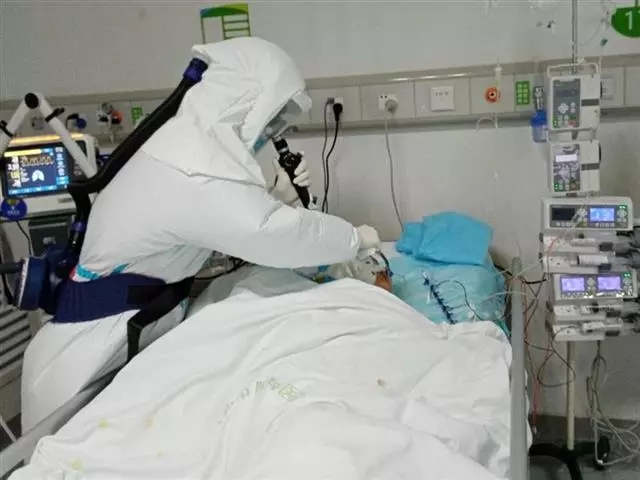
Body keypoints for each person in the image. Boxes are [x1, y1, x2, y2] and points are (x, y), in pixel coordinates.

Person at [20, 37, 380, 433]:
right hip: (84, 364)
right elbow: (269, 233)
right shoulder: (195, 166)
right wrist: (353, 238)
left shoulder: (182, 147)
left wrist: (276, 199)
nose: (274, 130)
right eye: (274, 116)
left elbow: (207, 229)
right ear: (246, 99)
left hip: (124, 333)